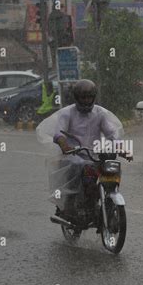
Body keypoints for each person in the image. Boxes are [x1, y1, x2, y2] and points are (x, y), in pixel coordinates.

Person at [47, 79, 123, 223]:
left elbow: (111, 133)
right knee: (78, 165)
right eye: (83, 97)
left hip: (93, 155)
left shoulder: (100, 113)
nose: (87, 100)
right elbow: (59, 133)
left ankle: (106, 199)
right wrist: (65, 145)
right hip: (72, 155)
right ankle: (69, 205)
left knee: (112, 166)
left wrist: (121, 148)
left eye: (90, 97)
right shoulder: (67, 113)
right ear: (76, 97)